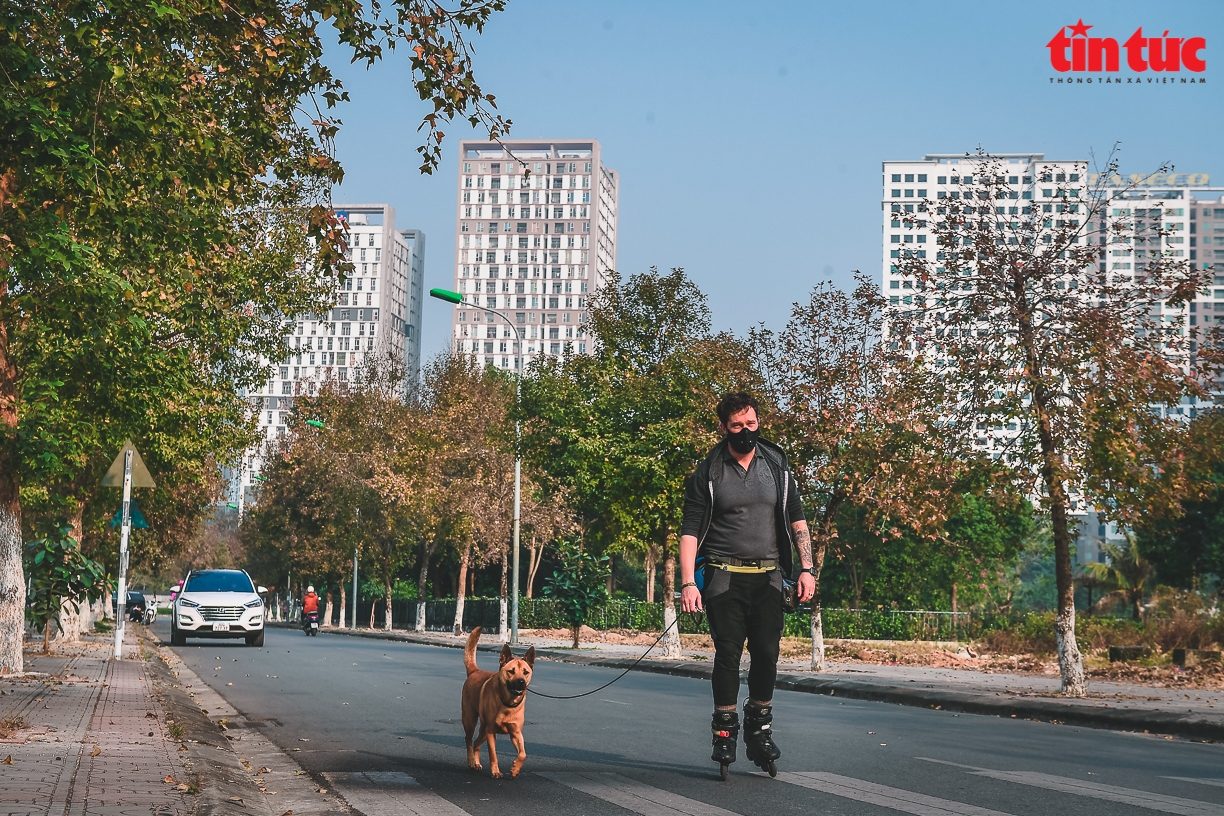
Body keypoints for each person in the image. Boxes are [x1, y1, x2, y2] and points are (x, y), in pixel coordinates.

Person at [679, 391, 815, 776]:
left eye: (751, 424)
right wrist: (689, 583)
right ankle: (724, 734)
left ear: (759, 422)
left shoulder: (776, 466)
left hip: (770, 577)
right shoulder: (709, 473)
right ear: (724, 427)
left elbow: (797, 519)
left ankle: (759, 730)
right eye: (737, 426)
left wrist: (807, 569)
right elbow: (690, 530)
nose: (745, 431)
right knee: (727, 656)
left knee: (767, 655)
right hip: (723, 578)